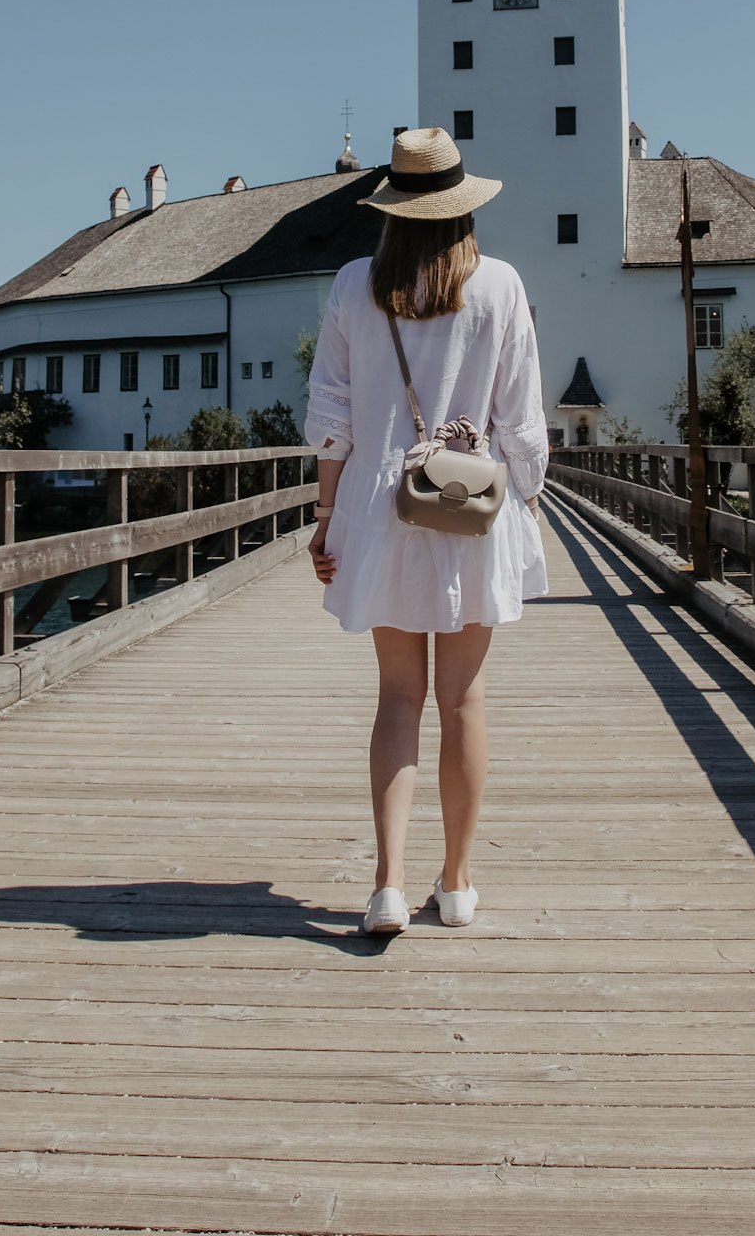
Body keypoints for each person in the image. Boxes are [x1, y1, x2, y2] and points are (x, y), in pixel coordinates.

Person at [304, 126, 548, 935]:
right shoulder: (502, 285)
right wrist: (528, 500)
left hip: (381, 510)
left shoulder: (352, 285)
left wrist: (323, 515)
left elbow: (332, 417)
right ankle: (459, 882)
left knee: (397, 699)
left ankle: (386, 887)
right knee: (464, 700)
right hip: (473, 509)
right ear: (460, 206)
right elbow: (522, 423)